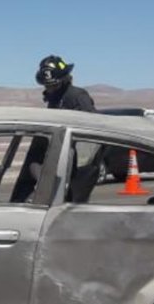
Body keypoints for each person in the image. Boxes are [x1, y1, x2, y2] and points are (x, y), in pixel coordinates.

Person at [10, 55, 96, 202]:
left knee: (70, 204)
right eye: (47, 86)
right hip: (57, 158)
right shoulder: (55, 100)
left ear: (65, 79)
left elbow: (93, 127)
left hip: (77, 162)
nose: (49, 89)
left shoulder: (77, 96)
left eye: (53, 86)